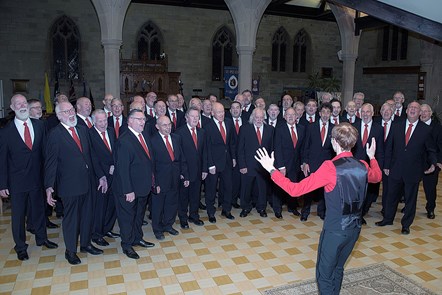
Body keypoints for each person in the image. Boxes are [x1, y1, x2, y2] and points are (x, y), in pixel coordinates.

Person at [254, 123, 382, 295]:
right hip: (355, 229)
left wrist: (271, 169)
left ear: (335, 142)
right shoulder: (362, 165)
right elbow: (378, 176)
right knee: (338, 268)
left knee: (324, 275)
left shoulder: (330, 167)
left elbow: (295, 190)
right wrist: (372, 157)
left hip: (335, 230)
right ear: (353, 143)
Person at [0, 94, 58, 261]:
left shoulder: (39, 126)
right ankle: (20, 246)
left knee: (39, 210)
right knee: (18, 216)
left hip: (37, 179)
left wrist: (48, 179)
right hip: (16, 182)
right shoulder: (5, 132)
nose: (22, 106)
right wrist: (2, 184)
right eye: (18, 104)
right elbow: (2, 160)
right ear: (12, 107)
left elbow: (46, 154)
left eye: (24, 103)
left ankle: (42, 238)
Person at [45, 101, 102, 265]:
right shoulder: (55, 134)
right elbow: (51, 163)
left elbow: (91, 156)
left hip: (88, 182)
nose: (70, 113)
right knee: (72, 219)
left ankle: (85, 244)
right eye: (66, 111)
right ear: (59, 116)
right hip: (69, 185)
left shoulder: (83, 130)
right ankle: (70, 251)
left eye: (71, 110)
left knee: (87, 216)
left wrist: (100, 176)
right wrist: (49, 187)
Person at [376, 101, 437, 234]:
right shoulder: (396, 125)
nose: (413, 110)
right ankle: (387, 219)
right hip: (395, 168)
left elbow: (431, 150)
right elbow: (389, 148)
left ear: (420, 112)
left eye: (416, 108)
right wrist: (386, 165)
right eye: (410, 107)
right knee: (391, 196)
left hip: (413, 171)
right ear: (406, 110)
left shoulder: (426, 130)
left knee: (410, 200)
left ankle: (406, 225)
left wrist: (433, 163)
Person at [112, 109, 156, 259]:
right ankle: (127, 245)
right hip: (129, 189)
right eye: (139, 119)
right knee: (127, 217)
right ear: (129, 121)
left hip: (142, 186)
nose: (142, 122)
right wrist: (128, 190)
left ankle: (137, 238)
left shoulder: (144, 136)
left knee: (138, 215)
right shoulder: (124, 141)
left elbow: (149, 161)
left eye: (143, 119)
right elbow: (122, 169)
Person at [150, 116, 189, 240]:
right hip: (160, 180)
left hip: (175, 177)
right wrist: (155, 183)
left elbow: (181, 158)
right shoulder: (152, 141)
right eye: (164, 125)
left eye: (169, 124)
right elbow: (151, 165)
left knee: (172, 203)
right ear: (157, 127)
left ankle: (168, 225)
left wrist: (185, 175)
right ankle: (157, 229)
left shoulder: (176, 138)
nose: (168, 127)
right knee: (158, 206)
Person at [301, 103, 335, 221]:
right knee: (309, 188)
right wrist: (305, 162)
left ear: (331, 114)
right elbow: (306, 146)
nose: (325, 114)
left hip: (327, 164)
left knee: (324, 190)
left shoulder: (334, 128)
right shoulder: (311, 127)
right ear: (319, 113)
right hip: (312, 162)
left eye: (328, 112)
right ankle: (305, 212)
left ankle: (322, 212)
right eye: (323, 112)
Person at [89, 109, 118, 247]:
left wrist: (115, 165)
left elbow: (116, 151)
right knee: (100, 207)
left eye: (105, 120)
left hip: (114, 175)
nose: (103, 123)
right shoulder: (90, 134)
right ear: (93, 121)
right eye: (100, 121)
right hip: (100, 177)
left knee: (111, 204)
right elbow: (92, 158)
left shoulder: (111, 131)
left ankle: (107, 229)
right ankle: (97, 234)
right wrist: (105, 172)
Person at [238, 108, 274, 218]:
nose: (258, 120)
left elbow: (272, 148)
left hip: (264, 167)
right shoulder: (244, 129)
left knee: (262, 188)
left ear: (264, 118)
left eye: (261, 117)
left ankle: (262, 208)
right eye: (256, 117)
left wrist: (271, 166)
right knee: (246, 188)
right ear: (252, 117)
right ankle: (245, 207)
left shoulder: (270, 129)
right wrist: (242, 165)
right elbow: (240, 149)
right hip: (248, 165)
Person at [352, 103, 384, 224]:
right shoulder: (353, 126)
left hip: (370, 167)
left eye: (368, 112)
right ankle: (356, 215)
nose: (365, 114)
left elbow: (380, 150)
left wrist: (378, 167)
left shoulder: (379, 129)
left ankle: (362, 213)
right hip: (355, 166)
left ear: (372, 113)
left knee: (367, 193)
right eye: (363, 112)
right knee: (355, 192)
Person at [205, 102, 237, 223]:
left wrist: (233, 157)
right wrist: (210, 164)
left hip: (227, 161)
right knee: (211, 189)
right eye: (218, 112)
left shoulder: (229, 123)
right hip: (214, 163)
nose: (221, 114)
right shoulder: (208, 127)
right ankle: (210, 212)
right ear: (212, 113)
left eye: (223, 111)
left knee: (228, 187)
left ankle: (226, 210)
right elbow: (207, 148)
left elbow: (232, 143)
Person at [176, 107, 207, 229]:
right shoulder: (179, 133)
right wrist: (183, 173)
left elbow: (205, 152)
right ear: (186, 117)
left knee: (195, 195)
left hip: (198, 171)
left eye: (197, 117)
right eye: (192, 116)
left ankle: (194, 215)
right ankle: (183, 218)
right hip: (185, 171)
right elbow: (179, 155)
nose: (195, 119)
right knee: (183, 197)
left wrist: (204, 169)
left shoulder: (202, 132)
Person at [273, 107, 305, 218]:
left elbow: (302, 149)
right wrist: (281, 166)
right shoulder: (279, 129)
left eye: (293, 115)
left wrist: (303, 163)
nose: (291, 117)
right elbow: (277, 148)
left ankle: (292, 207)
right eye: (288, 115)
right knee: (279, 187)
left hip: (295, 164)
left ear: (297, 116)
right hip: (282, 164)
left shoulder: (301, 129)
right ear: (285, 117)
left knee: (293, 186)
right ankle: (277, 210)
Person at [419, 103, 442, 219]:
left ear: (430, 113)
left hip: (431, 163)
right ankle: (408, 206)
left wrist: (439, 162)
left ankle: (430, 208)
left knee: (430, 188)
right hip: (416, 162)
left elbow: (441, 146)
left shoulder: (437, 127)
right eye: (421, 111)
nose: (423, 113)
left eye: (425, 111)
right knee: (410, 186)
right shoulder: (415, 125)